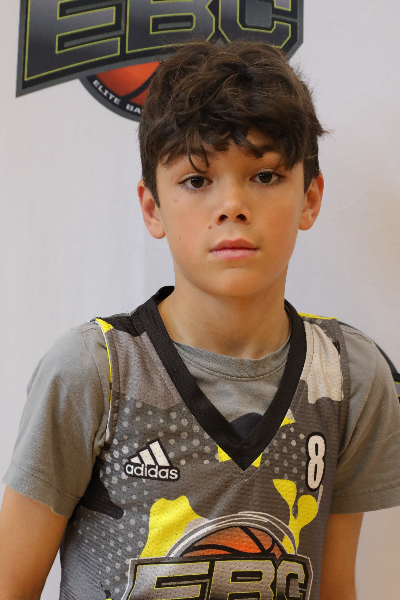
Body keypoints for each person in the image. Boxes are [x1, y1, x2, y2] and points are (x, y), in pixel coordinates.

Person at [1, 41, 399, 600]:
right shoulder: (95, 371)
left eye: (265, 175)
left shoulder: (349, 376)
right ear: (152, 207)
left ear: (310, 198)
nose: (232, 206)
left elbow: (334, 586)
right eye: (196, 180)